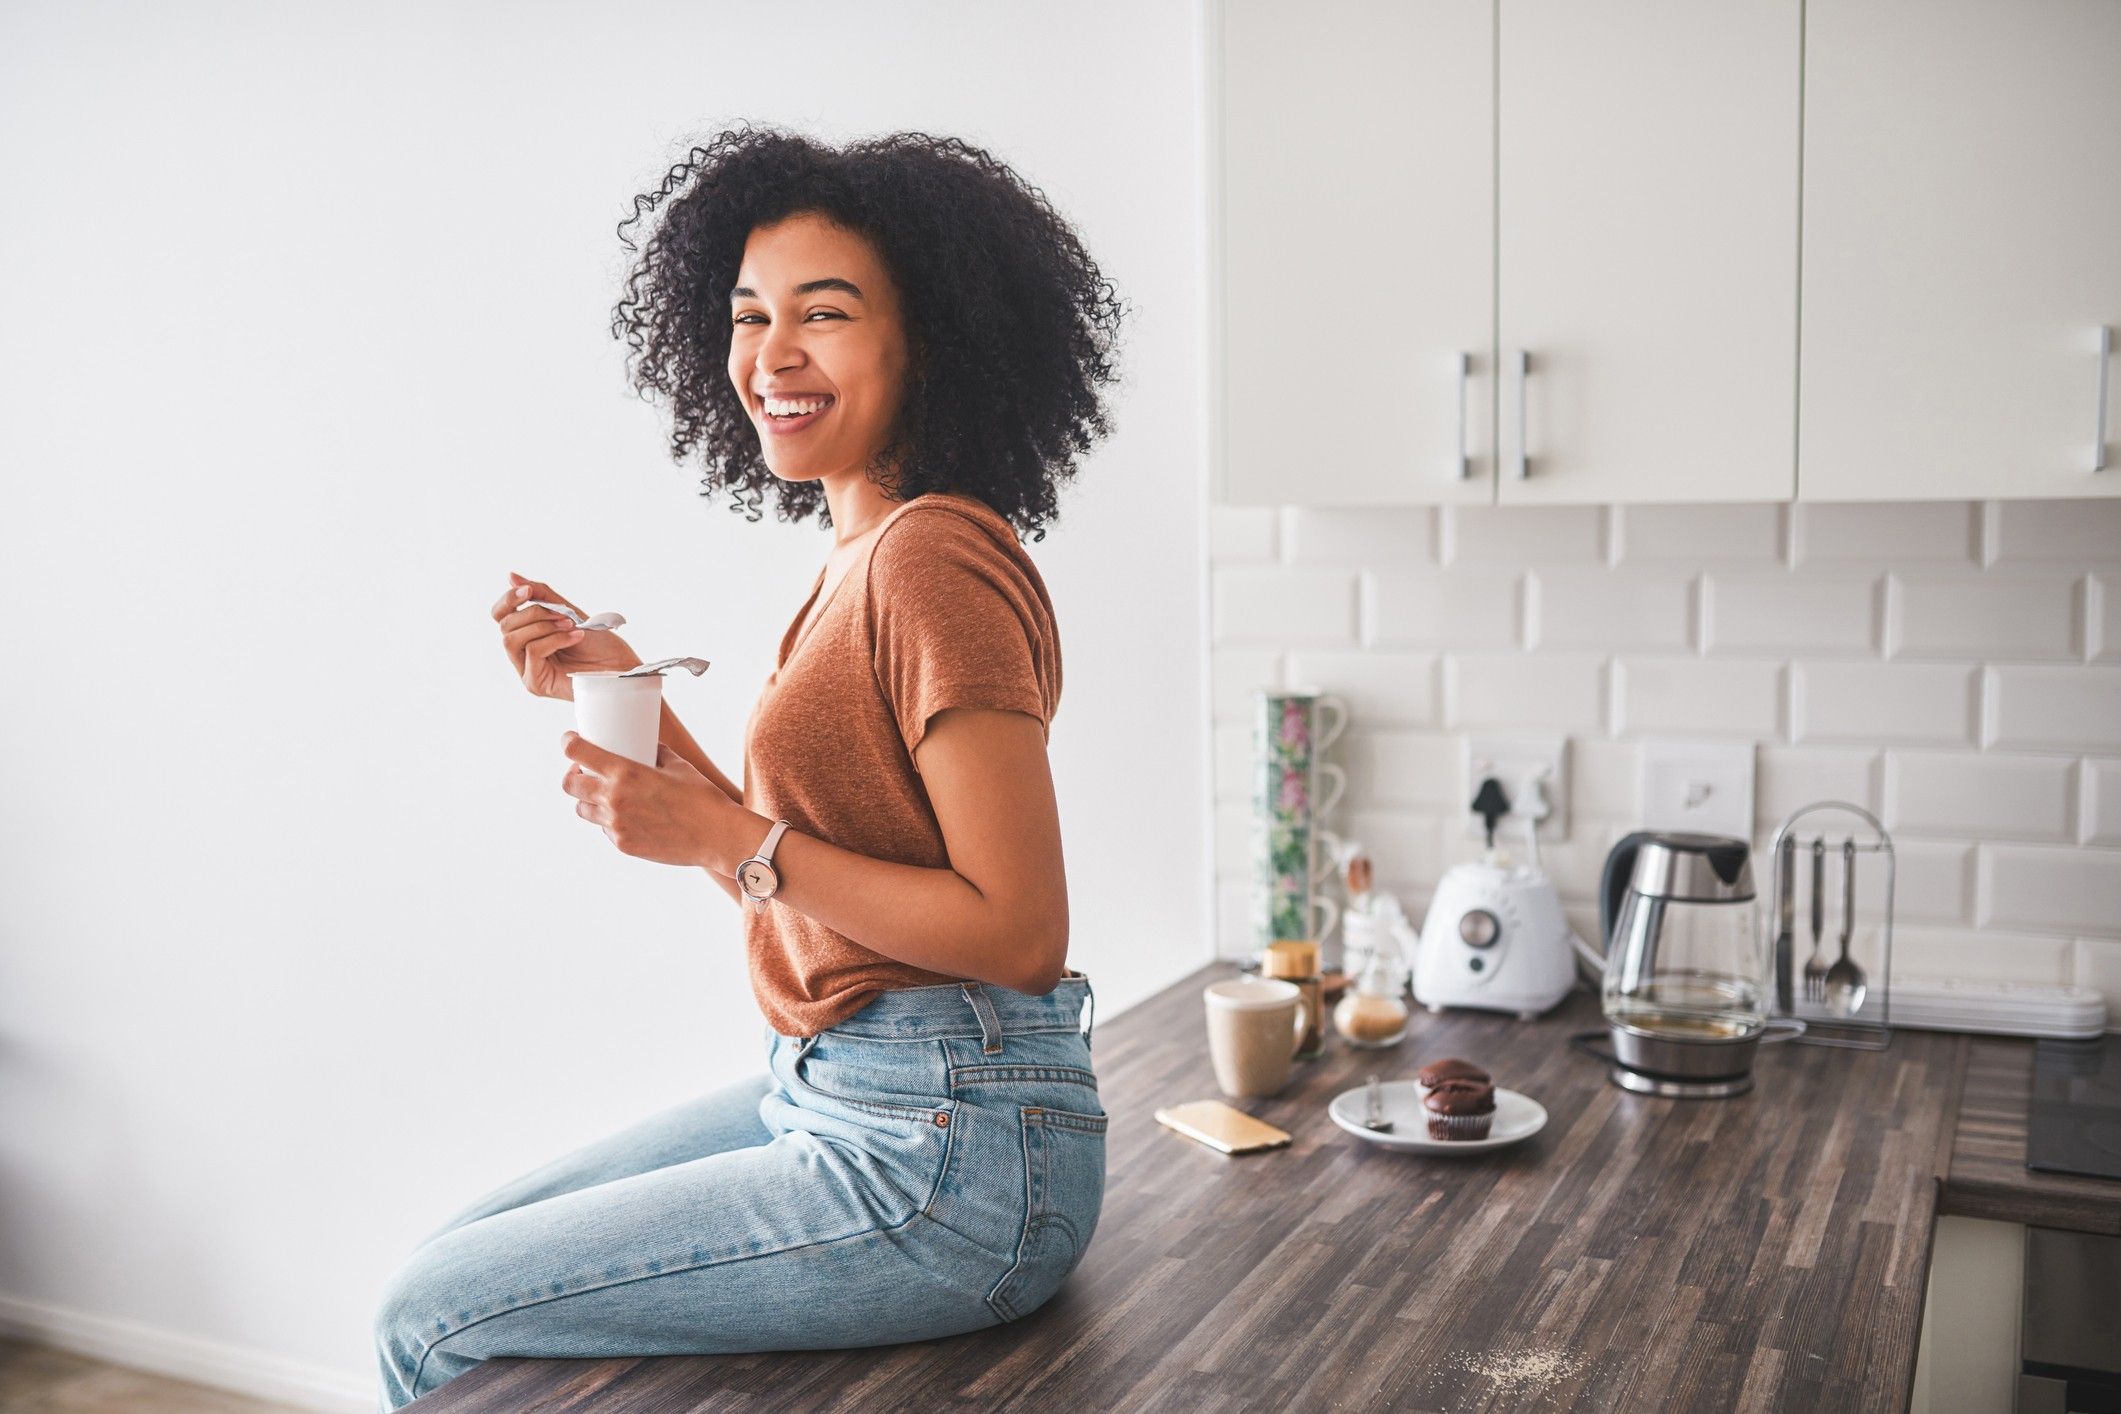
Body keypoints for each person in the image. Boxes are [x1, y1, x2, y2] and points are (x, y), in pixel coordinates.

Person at [372, 124, 1127, 1409]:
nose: (771, 357)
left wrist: (723, 839)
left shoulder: (928, 561)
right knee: (448, 1269)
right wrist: (624, 692)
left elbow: (1016, 933)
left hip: (947, 1154)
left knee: (430, 1319)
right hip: (852, 1088)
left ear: (926, 339)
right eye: (748, 314)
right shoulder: (860, 558)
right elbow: (808, 893)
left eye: (821, 315)